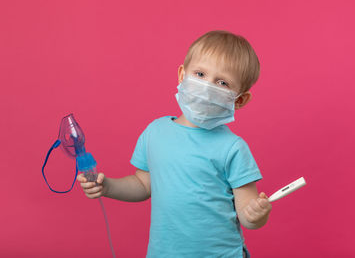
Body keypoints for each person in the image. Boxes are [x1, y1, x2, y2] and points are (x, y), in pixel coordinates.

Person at [77, 30, 272, 258]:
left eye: (222, 82)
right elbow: (142, 184)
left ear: (239, 100)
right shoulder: (155, 132)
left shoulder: (233, 148)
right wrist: (108, 187)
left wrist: (257, 215)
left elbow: (247, 214)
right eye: (200, 74)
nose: (207, 87)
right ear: (182, 75)